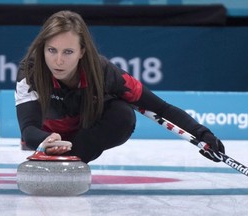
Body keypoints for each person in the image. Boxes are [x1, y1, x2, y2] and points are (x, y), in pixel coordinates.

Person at [15, 10, 225, 164]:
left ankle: (75, 159)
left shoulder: (104, 72)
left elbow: (162, 109)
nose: (58, 61)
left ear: (82, 52)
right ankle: (59, 154)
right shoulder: (31, 72)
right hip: (51, 139)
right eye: (52, 50)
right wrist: (44, 140)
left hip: (85, 138)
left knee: (122, 114)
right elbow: (28, 129)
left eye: (67, 52)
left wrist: (203, 134)